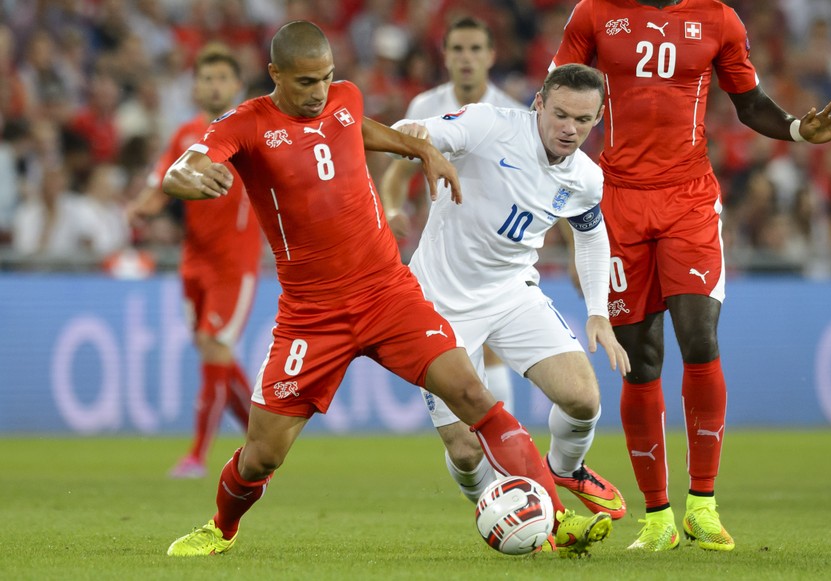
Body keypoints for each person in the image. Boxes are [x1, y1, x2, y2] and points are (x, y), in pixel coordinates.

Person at [163, 20, 610, 559]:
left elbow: (359, 127)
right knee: (262, 455)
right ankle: (221, 527)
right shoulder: (248, 122)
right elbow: (188, 165)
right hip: (312, 314)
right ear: (274, 74)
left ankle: (559, 524)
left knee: (475, 396)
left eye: (327, 78)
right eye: (306, 83)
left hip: (388, 293)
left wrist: (420, 151)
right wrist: (186, 178)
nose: (319, 93)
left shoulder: (344, 99)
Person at [551, 0, 831, 552]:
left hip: (688, 200)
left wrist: (794, 127)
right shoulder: (594, 13)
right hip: (618, 200)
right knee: (641, 360)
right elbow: (558, 97)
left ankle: (702, 505)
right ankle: (658, 519)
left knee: (700, 337)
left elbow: (748, 103)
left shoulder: (719, 19)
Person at [393, 63, 632, 525]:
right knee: (465, 450)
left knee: (583, 398)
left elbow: (591, 234)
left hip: (511, 294)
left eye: (583, 120)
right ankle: (506, 516)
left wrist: (598, 312)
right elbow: (420, 133)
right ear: (538, 103)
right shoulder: (489, 125)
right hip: (437, 303)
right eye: (560, 114)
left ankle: (566, 469)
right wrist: (414, 132)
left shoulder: (585, 177)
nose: (569, 129)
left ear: (598, 118)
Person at [379, 16, 526, 463]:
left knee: (493, 357)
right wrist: (390, 206)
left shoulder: (512, 111)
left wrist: (576, 252)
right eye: (458, 49)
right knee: (461, 362)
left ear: (491, 55)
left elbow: (537, 185)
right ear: (445, 56)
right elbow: (397, 172)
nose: (467, 58)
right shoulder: (426, 104)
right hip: (444, 254)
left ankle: (506, 467)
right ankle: (487, 465)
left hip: (497, 254)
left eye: (475, 49)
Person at [128, 45, 261, 479]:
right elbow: (158, 181)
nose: (214, 85)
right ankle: (262, 445)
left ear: (237, 85)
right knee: (214, 352)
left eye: (223, 77)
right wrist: (142, 207)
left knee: (214, 345)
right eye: (207, 78)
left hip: (235, 264)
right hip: (194, 262)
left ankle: (196, 457)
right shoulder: (186, 135)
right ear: (196, 86)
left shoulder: (247, 132)